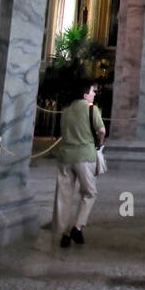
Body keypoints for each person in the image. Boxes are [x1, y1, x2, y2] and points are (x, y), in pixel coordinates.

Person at [52, 78, 105, 248]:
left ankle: (63, 234)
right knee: (89, 193)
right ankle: (77, 226)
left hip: (65, 156)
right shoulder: (91, 109)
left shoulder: (66, 111)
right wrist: (99, 141)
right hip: (84, 156)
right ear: (85, 94)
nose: (94, 94)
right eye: (92, 91)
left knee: (63, 196)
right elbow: (101, 130)